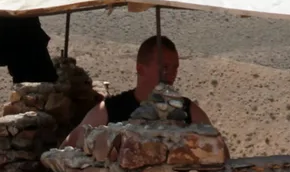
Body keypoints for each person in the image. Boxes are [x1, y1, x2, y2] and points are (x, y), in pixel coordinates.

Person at [62, 34, 209, 145]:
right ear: (140, 69)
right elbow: (70, 144)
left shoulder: (188, 111)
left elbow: (220, 150)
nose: (171, 73)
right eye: (164, 67)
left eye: (175, 68)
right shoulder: (111, 109)